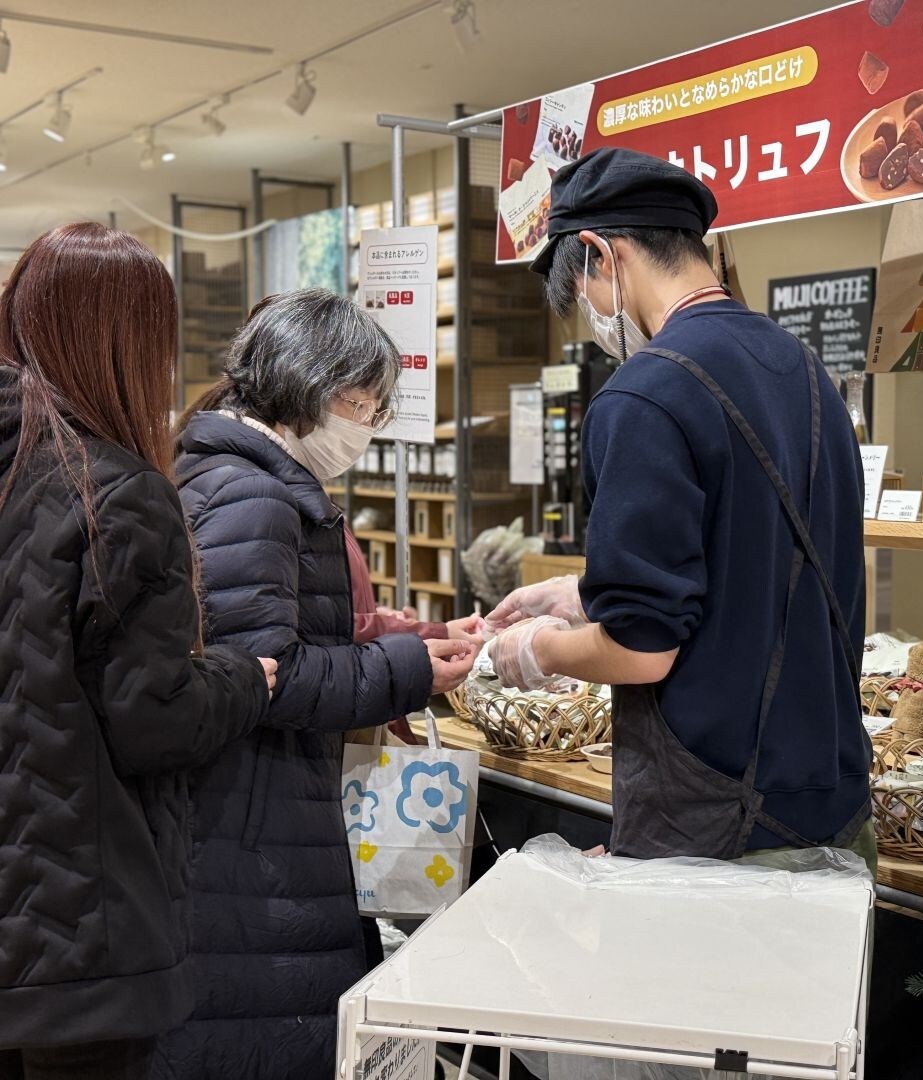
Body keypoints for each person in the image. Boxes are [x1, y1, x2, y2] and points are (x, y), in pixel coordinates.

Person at [487, 148, 874, 869]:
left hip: (718, 832)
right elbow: (753, 559)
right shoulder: (808, 374)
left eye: (585, 301)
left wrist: (532, 650)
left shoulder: (642, 396)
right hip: (835, 806)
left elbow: (641, 648)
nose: (595, 324)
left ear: (603, 254)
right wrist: (578, 593)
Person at [155, 289, 477, 1079]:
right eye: (358, 400)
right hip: (256, 828)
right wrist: (407, 669)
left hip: (245, 820)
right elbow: (269, 675)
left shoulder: (223, 474)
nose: (366, 421)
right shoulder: (255, 496)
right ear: (303, 385)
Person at [0, 224, 276, 1080]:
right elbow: (152, 720)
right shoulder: (117, 493)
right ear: (134, 345)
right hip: (79, 929)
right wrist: (246, 679)